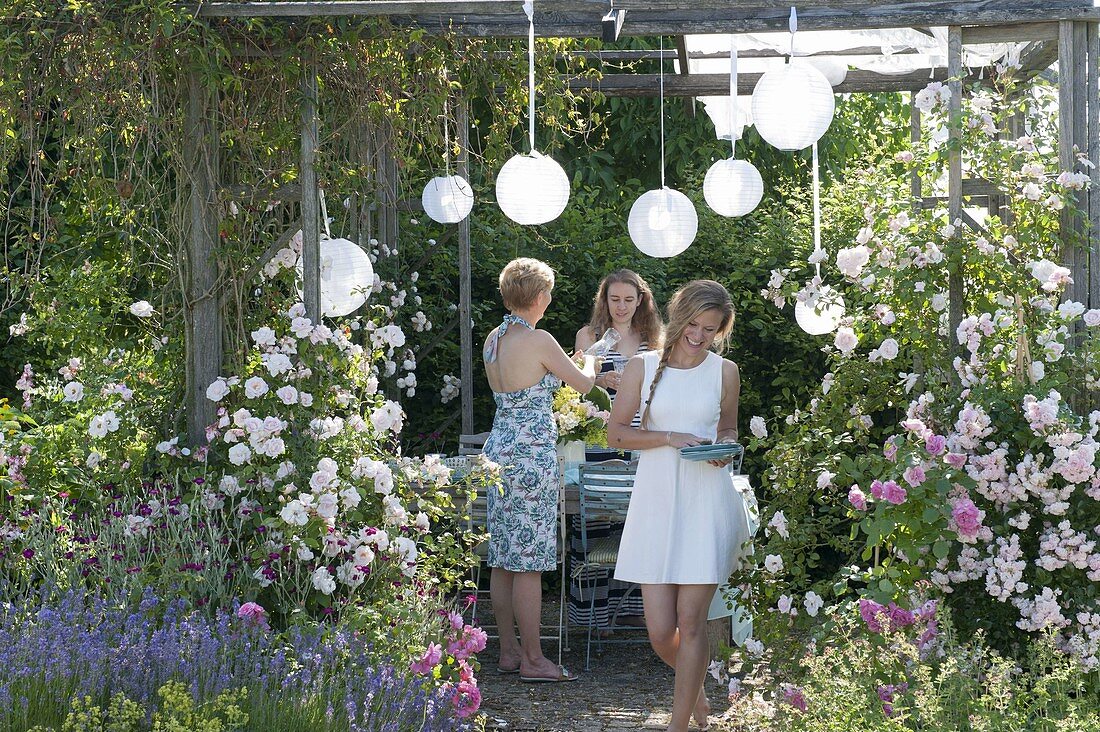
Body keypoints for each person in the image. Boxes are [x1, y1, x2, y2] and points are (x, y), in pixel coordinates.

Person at [608, 280, 748, 732]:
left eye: (710, 330)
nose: (699, 335)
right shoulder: (642, 367)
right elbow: (617, 436)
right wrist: (669, 438)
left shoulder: (725, 372)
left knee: (692, 623)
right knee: (659, 632)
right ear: (679, 315)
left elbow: (728, 430)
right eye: (694, 324)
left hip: (707, 503)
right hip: (656, 504)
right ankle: (696, 693)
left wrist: (725, 447)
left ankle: (679, 723)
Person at [482, 257, 597, 683]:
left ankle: (510, 652)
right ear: (538, 296)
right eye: (548, 291)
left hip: (499, 450)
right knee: (527, 561)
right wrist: (588, 361)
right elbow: (583, 384)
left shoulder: (495, 338)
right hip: (530, 456)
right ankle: (534, 659)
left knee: (503, 558)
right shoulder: (541, 338)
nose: (550, 298)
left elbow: (526, 377)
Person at [569, 269, 664, 631]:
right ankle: (594, 614)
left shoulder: (654, 337)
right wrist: (598, 380)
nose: (621, 307)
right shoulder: (589, 336)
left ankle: (636, 610)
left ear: (641, 300)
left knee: (636, 519)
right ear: (603, 300)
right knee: (594, 520)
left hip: (640, 435)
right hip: (597, 435)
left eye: (628, 299)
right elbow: (573, 388)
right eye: (614, 299)